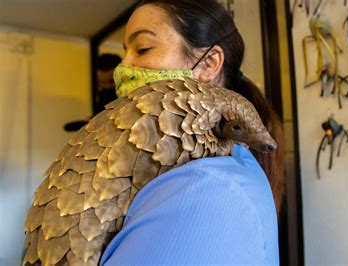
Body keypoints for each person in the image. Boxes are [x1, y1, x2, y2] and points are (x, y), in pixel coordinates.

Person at [100, 0, 286, 264]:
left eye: (142, 48)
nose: (123, 66)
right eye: (125, 51)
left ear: (209, 63)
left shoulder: (209, 186)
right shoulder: (170, 162)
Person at [63, 53, 121, 131]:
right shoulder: (102, 95)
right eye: (102, 83)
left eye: (111, 82)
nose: (106, 86)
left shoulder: (130, 96)